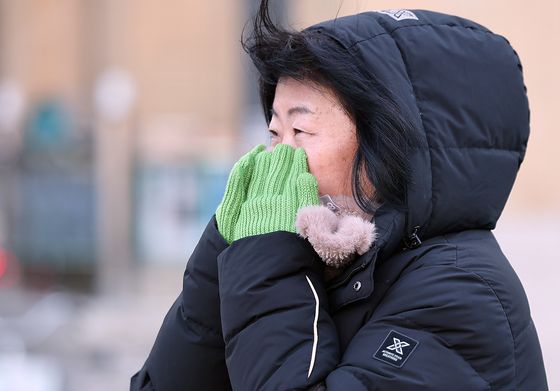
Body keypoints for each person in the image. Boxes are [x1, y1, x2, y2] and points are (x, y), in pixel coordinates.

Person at [131, 2, 548, 390]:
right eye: (274, 132)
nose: (278, 160)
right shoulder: (327, 265)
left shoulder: (461, 294)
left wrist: (263, 257)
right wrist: (227, 243)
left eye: (302, 132)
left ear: (384, 148)